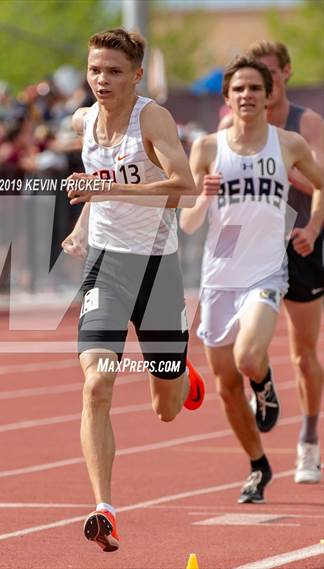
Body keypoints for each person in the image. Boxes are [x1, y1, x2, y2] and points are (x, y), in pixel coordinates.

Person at [61, 28, 205, 553]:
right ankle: (105, 508)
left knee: (165, 408)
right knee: (96, 384)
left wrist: (106, 188)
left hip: (157, 272)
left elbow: (184, 187)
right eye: (95, 69)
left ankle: (183, 375)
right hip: (106, 268)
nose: (102, 79)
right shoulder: (82, 121)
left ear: (137, 75)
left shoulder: (153, 118)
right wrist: (81, 228)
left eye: (115, 71)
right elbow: (95, 189)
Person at [180, 55, 323, 504]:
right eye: (238, 89)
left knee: (248, 357)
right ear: (227, 98)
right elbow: (186, 223)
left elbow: (321, 183)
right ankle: (258, 466)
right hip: (219, 277)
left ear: (269, 95)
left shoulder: (288, 145)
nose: (247, 96)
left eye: (255, 89)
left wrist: (312, 227)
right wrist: (202, 201)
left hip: (265, 272)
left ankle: (264, 384)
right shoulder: (206, 148)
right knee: (225, 385)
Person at [219, 41, 323, 485]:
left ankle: (309, 441)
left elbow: (320, 183)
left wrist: (313, 230)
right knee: (244, 351)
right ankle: (262, 382)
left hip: (300, 242)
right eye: (250, 78)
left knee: (303, 354)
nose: (259, 86)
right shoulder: (229, 123)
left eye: (269, 76)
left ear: (284, 75)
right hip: (251, 250)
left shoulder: (305, 124)